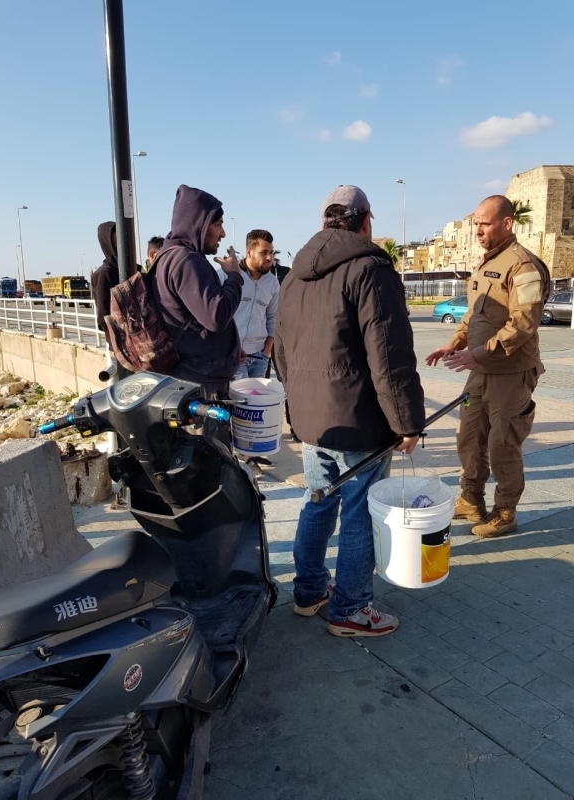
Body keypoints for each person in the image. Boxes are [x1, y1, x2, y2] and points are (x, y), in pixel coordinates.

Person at [275, 185, 425, 637]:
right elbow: (390, 357)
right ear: (366, 220)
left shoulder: (293, 277)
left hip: (313, 421)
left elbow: (280, 352)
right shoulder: (370, 269)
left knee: (318, 501)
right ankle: (351, 608)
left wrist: (297, 407)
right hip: (359, 422)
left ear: (324, 221)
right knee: (360, 512)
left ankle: (308, 592)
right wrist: (407, 423)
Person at [426, 195, 550, 538]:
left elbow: (523, 323)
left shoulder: (523, 265)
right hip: (480, 371)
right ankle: (471, 499)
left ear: (507, 223)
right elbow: (474, 314)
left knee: (502, 444)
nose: (478, 230)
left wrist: (478, 354)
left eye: (485, 223)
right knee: (468, 437)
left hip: (511, 373)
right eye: (476, 224)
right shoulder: (484, 265)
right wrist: (454, 344)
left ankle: (505, 511)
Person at [151, 185, 243, 443]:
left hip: (188, 377)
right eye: (218, 224)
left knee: (191, 457)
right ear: (200, 223)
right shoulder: (187, 260)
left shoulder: (168, 256)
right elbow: (216, 316)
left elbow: (193, 316)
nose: (222, 233)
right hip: (201, 385)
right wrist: (235, 277)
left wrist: (231, 348)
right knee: (210, 458)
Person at [217, 229, 279, 381]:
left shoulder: (273, 283)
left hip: (260, 357)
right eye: (264, 253)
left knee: (257, 397)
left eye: (271, 252)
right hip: (232, 356)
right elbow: (214, 314)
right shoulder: (227, 275)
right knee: (237, 397)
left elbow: (274, 318)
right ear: (249, 252)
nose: (269, 258)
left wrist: (266, 352)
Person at [91, 221, 118, 334]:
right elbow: (103, 317)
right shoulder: (104, 273)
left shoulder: (133, 267)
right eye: (115, 237)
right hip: (123, 340)